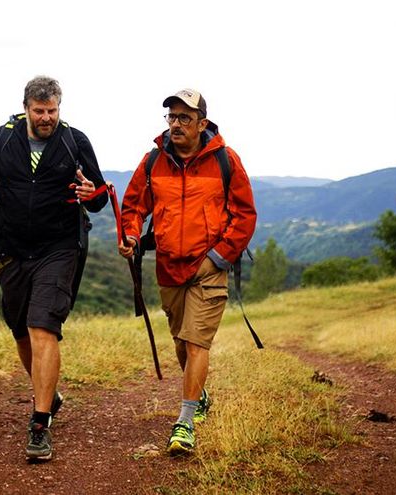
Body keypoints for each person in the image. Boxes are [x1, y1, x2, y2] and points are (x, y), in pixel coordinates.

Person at [0, 76, 107, 462]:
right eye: (39, 111)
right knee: (21, 330)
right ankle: (48, 393)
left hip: (59, 247)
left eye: (52, 110)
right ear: (26, 109)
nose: (46, 118)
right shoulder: (4, 138)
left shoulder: (75, 141)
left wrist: (92, 194)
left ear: (59, 107)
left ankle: (40, 424)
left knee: (42, 326)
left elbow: (100, 197)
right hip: (12, 250)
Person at [118, 88, 256, 456]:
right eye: (172, 117)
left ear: (202, 123)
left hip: (209, 268)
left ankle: (185, 423)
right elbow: (133, 207)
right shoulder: (152, 161)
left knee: (197, 343)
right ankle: (200, 394)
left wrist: (217, 258)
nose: (176, 124)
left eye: (184, 118)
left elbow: (244, 217)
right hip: (169, 267)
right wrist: (130, 235)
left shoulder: (226, 161)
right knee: (181, 342)